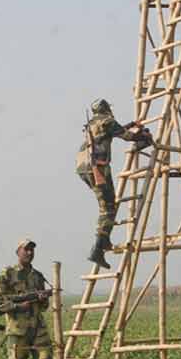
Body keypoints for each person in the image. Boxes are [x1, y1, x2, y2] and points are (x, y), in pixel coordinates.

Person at [76, 98, 153, 268]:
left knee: (108, 204)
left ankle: (104, 241)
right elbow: (126, 136)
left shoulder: (94, 123)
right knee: (108, 207)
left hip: (83, 166)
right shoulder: (107, 121)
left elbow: (114, 132)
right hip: (97, 167)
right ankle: (97, 249)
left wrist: (132, 124)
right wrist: (143, 136)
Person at [0, 239, 54, 359]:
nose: (29, 253)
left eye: (32, 250)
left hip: (38, 329)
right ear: (18, 251)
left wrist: (42, 299)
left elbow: (44, 307)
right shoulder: (7, 274)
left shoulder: (38, 276)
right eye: (26, 249)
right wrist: (18, 306)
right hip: (17, 330)